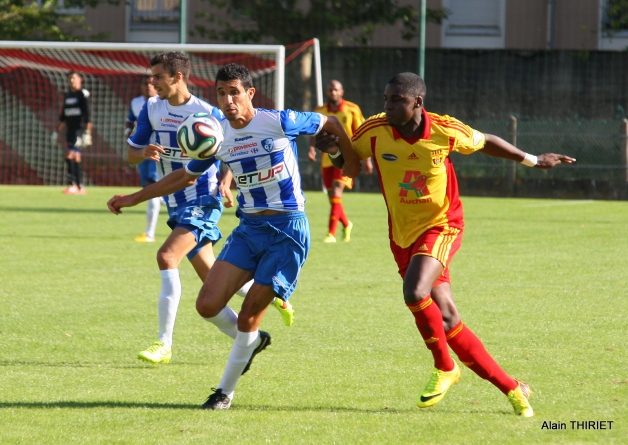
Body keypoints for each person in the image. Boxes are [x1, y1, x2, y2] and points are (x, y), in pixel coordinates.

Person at [316, 72, 575, 417]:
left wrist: (532, 159)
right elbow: (351, 168)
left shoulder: (444, 129)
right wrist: (334, 149)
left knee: (414, 292)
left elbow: (486, 142)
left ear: (417, 103)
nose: (387, 106)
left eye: (396, 100)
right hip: (402, 234)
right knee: (448, 317)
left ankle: (445, 367)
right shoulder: (375, 129)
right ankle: (514, 388)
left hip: (443, 225)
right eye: (385, 99)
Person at [107, 63, 362, 410]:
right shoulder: (217, 135)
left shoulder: (278, 121)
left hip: (287, 231)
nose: (228, 100)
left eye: (235, 92)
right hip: (249, 230)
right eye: (222, 93)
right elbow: (183, 177)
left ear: (249, 94)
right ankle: (252, 344)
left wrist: (350, 160)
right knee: (207, 304)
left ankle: (223, 393)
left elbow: (330, 123)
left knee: (247, 317)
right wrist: (132, 198)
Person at [112, 53, 294, 366]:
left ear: (177, 77)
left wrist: (226, 182)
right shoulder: (151, 109)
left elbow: (232, 150)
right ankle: (252, 334)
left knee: (167, 256)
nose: (151, 82)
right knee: (212, 277)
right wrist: (143, 152)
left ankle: (163, 344)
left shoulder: (208, 113)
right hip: (175, 202)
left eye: (157, 76)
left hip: (202, 198)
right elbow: (130, 154)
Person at [308, 80, 373, 243]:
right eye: (330, 90)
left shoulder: (352, 109)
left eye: (336, 90)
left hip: (347, 158)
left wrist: (368, 160)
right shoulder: (320, 111)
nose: (333, 92)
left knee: (336, 192)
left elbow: (361, 133)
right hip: (327, 159)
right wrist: (311, 148)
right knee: (332, 197)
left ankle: (331, 233)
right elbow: (313, 131)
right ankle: (346, 223)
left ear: (341, 92)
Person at [125, 76, 161, 243]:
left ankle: (149, 233)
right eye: (145, 83)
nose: (148, 86)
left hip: (156, 151)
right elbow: (130, 121)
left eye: (151, 83)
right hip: (141, 151)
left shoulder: (162, 103)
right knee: (152, 191)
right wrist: (129, 132)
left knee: (151, 187)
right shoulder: (136, 102)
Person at [56, 71, 92, 195]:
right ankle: (80, 186)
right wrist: (56, 131)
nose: (72, 80)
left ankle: (73, 185)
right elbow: (63, 115)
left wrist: (87, 132)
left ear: (80, 79)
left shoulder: (82, 95)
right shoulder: (67, 96)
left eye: (74, 78)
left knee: (69, 154)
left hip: (79, 129)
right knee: (76, 156)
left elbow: (88, 115)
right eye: (70, 78)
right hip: (70, 130)